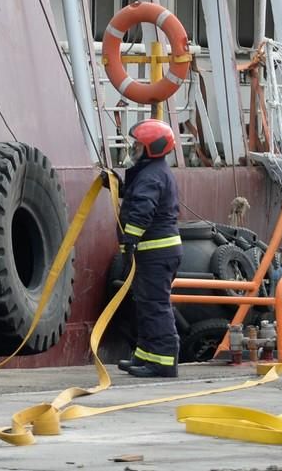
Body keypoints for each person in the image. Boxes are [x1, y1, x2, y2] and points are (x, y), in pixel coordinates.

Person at [108, 119, 183, 378]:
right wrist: (116, 186)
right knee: (145, 303)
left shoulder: (152, 175)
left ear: (152, 148)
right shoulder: (152, 172)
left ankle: (162, 361)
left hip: (155, 252)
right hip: (153, 252)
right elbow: (136, 195)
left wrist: (130, 239)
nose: (133, 149)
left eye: (138, 145)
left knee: (155, 305)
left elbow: (142, 209)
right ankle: (145, 355)